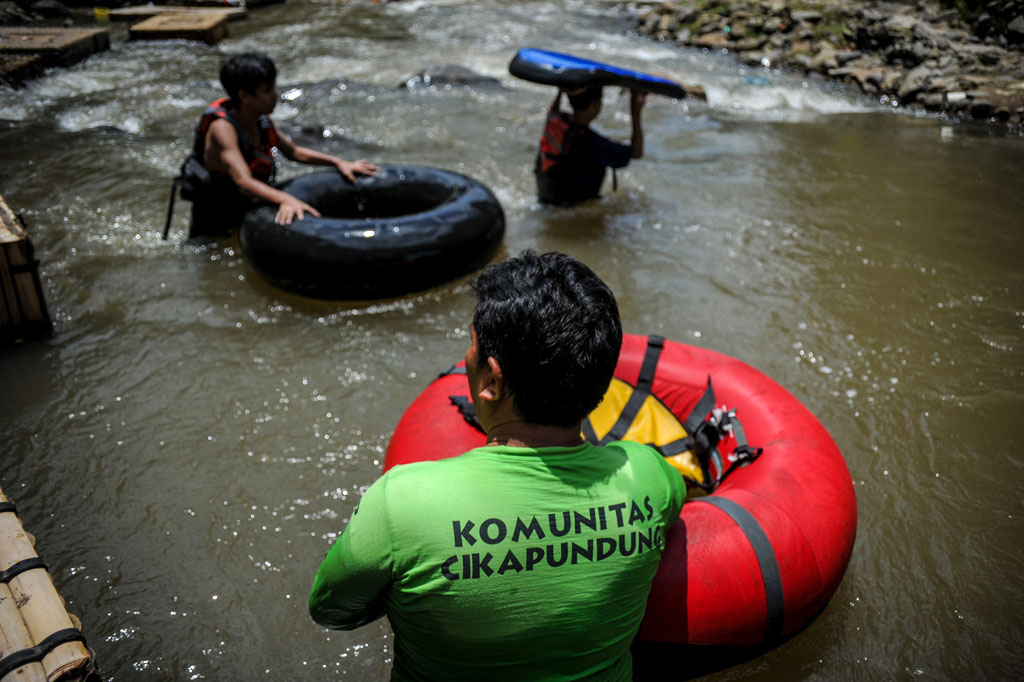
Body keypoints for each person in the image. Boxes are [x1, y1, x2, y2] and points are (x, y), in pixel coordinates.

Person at [308, 250, 685, 682]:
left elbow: (330, 611)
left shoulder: (402, 503)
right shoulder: (648, 477)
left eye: (471, 347)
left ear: (491, 380)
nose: (466, 357)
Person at [185, 52, 379, 238]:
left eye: (274, 88)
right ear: (244, 96)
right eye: (267, 91)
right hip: (215, 212)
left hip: (246, 204)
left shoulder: (261, 121)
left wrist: (339, 162)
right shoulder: (223, 129)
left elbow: (294, 152)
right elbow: (243, 181)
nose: (275, 95)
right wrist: (286, 199)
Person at [534, 86, 645, 206]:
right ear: (595, 104)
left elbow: (552, 112)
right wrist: (636, 111)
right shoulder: (596, 145)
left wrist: (561, 90)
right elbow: (636, 153)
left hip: (546, 200)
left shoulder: (556, 123)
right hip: (575, 208)